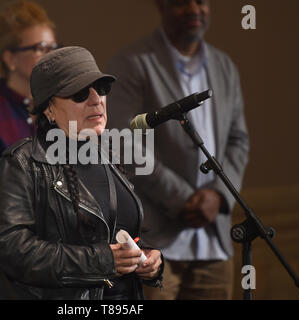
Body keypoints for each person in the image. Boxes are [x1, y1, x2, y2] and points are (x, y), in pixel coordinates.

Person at [0, 46, 163, 300]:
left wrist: (148, 258)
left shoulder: (109, 156)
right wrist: (102, 260)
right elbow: (11, 251)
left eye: (101, 89)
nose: (96, 100)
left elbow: (114, 234)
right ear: (49, 109)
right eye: (80, 93)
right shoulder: (21, 163)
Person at [106, 0, 249, 300]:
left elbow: (238, 140)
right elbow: (121, 140)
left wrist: (218, 196)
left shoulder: (225, 66)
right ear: (162, 6)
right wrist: (182, 198)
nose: (194, 9)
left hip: (214, 239)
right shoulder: (133, 62)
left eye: (201, 2)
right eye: (182, 2)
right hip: (155, 241)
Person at [0, 0, 58, 176]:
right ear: (10, 59)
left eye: (52, 48)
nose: (50, 56)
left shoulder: (58, 108)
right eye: (40, 48)